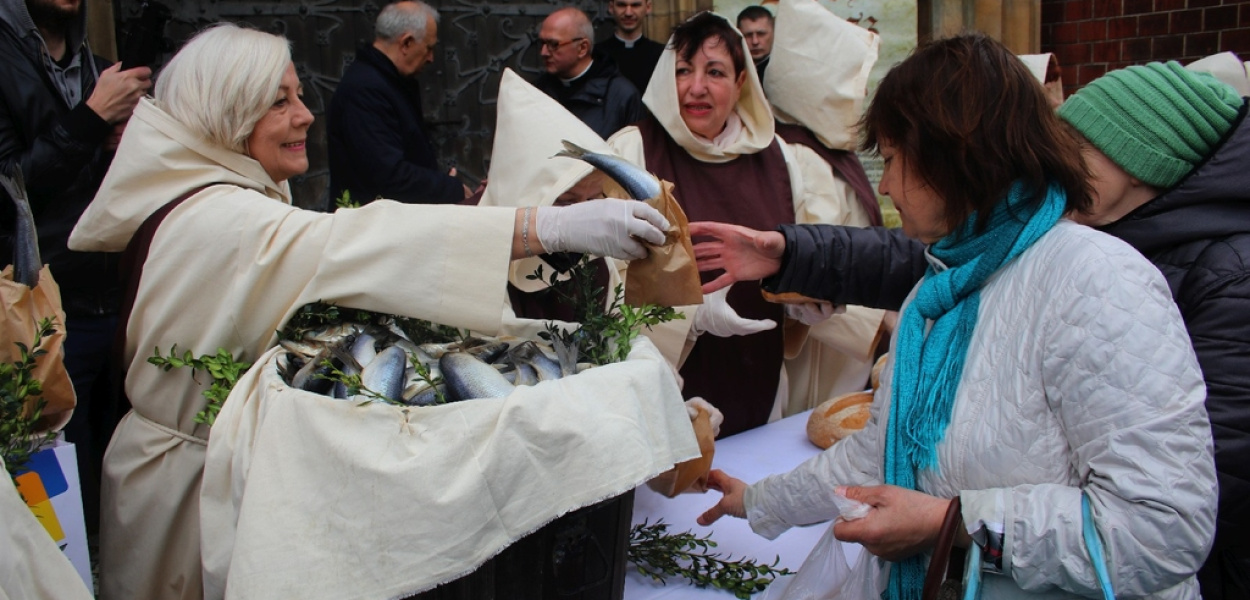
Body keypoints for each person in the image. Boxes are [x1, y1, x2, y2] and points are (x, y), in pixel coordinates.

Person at [67, 23, 669, 600]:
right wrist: (548, 226)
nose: (305, 114)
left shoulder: (213, 194)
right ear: (227, 113)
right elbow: (352, 243)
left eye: (299, 94)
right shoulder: (218, 217)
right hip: (184, 498)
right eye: (279, 102)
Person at [694, 34, 1216, 598]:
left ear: (955, 156)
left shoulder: (1096, 279)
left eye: (893, 160)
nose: (887, 185)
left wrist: (953, 523)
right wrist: (758, 500)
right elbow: (880, 453)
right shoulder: (942, 284)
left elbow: (1162, 531)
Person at [605, 12, 880, 437]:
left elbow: (805, 257)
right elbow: (604, 279)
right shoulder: (630, 153)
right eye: (683, 71)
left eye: (715, 72)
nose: (696, 87)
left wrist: (804, 306)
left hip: (761, 383)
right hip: (665, 387)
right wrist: (688, 319)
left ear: (740, 85)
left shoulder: (785, 161)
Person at [0, 0, 151, 534]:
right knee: (61, 501)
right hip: (39, 312)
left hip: (119, 300)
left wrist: (123, 138)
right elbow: (8, 189)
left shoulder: (94, 61)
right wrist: (90, 119)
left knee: (125, 493)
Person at [327, 0, 470, 205]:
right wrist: (450, 188)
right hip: (372, 228)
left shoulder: (388, 82)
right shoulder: (364, 90)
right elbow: (388, 175)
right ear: (406, 43)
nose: (431, 58)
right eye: (428, 48)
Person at [536, 7, 643, 139]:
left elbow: (635, 152)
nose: (544, 52)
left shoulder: (622, 96)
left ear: (582, 48)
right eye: (542, 43)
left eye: (553, 44)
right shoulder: (537, 91)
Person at [595, 0, 664, 94]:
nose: (628, 13)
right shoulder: (597, 55)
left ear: (648, 7)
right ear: (611, 7)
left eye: (635, 5)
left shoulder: (662, 55)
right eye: (621, 5)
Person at [736, 5, 774, 81]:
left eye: (761, 34)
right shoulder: (733, 69)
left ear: (774, 33)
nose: (755, 41)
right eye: (748, 35)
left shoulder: (784, 70)